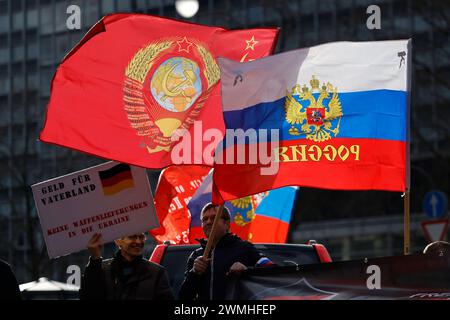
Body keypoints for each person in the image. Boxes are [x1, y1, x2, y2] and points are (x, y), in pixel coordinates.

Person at [179, 203, 273, 300]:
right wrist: (194, 272)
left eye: (214, 218)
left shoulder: (245, 248)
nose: (208, 222)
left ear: (227, 224)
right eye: (205, 219)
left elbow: (273, 273)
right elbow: (183, 297)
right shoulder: (196, 256)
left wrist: (247, 270)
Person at [79, 232, 174, 300]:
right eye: (132, 237)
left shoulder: (156, 272)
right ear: (118, 241)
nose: (138, 241)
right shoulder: (101, 269)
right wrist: (95, 258)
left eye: (141, 237)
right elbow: (88, 296)